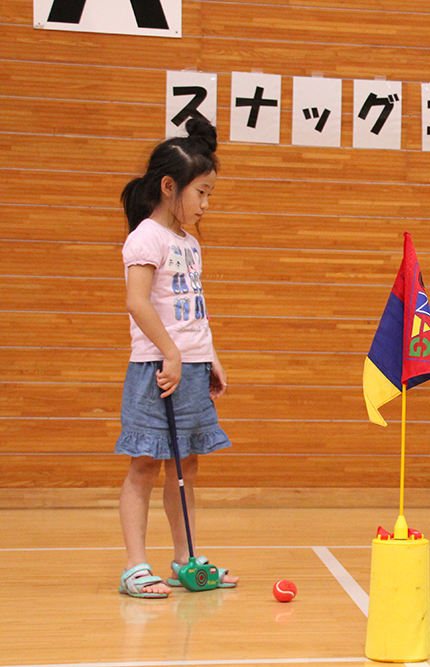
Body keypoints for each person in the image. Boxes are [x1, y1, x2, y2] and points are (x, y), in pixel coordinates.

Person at [116, 117, 238, 598]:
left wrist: (209, 356)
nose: (206, 204)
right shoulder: (146, 237)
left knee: (186, 467)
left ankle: (185, 559)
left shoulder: (188, 243)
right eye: (201, 193)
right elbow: (138, 302)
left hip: (188, 366)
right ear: (170, 186)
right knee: (145, 465)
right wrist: (170, 353)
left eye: (209, 194)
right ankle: (134, 567)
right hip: (156, 370)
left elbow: (192, 309)